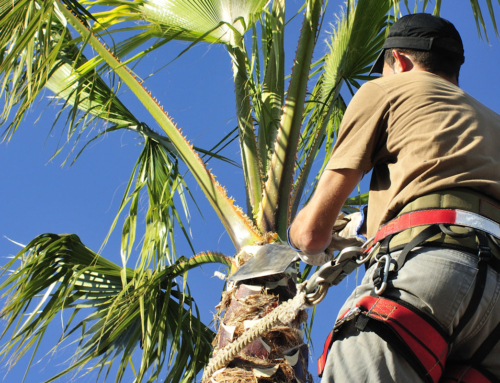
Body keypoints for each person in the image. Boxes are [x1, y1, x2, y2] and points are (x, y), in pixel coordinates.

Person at [288, 13, 500, 383]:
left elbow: (311, 235)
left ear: (398, 60)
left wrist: (305, 240)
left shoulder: (387, 89)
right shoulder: (493, 121)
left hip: (428, 271)